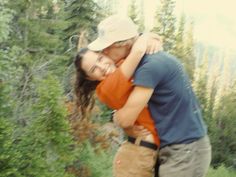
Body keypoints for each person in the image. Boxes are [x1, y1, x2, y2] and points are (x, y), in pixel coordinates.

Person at [88, 14, 212, 177]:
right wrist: (146, 37)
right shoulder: (143, 59)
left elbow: (125, 120)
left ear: (124, 44)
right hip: (177, 147)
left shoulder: (149, 67)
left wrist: (117, 116)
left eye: (108, 47)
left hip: (185, 150)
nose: (104, 52)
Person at [74, 34, 162, 177]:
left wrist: (154, 39)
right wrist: (145, 37)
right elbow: (138, 51)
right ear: (90, 78)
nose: (102, 67)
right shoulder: (107, 87)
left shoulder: (121, 66)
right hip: (137, 155)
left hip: (151, 151)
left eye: (100, 59)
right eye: (93, 69)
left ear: (104, 53)